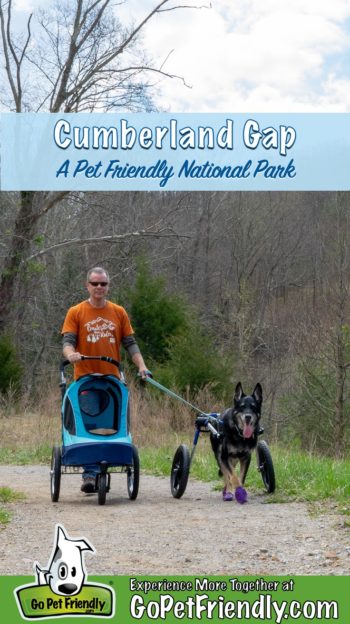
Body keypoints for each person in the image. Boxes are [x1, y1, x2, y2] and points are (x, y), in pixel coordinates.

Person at [62, 266, 149, 493]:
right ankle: (90, 474)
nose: (99, 287)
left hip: (112, 381)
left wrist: (142, 366)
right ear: (87, 285)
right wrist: (71, 355)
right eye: (94, 283)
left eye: (103, 284)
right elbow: (68, 341)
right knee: (90, 426)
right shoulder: (76, 311)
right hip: (86, 380)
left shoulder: (118, 312)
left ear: (108, 286)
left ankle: (110, 458)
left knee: (110, 425)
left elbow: (130, 343)